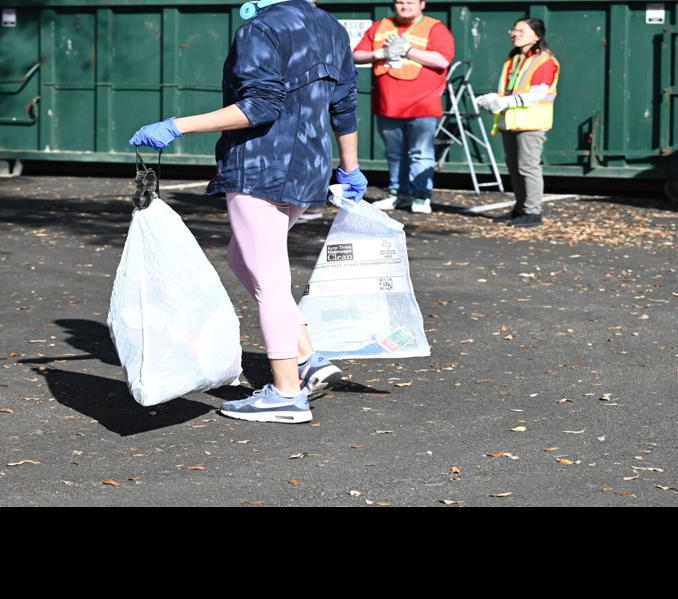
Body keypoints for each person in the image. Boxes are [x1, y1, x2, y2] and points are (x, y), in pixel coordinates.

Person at [130, 0, 358, 424]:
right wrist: (350, 168)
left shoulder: (262, 28)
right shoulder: (331, 27)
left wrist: (177, 125)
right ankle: (308, 359)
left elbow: (259, 107)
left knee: (269, 278)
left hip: (261, 165)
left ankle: (287, 394)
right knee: (244, 259)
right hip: (309, 165)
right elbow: (344, 105)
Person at [351, 0, 453, 214]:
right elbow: (355, 55)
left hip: (422, 104)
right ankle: (399, 193)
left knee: (420, 153)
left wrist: (408, 50)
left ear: (422, 4)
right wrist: (380, 54)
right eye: (400, 2)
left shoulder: (434, 28)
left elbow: (442, 60)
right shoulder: (381, 26)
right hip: (388, 103)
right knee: (394, 153)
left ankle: (421, 196)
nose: (404, 6)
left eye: (410, 2)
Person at [475, 18, 557, 227]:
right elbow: (512, 88)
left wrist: (503, 101)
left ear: (537, 36)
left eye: (522, 31)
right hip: (512, 120)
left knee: (528, 166)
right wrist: (494, 98)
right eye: (514, 30)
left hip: (531, 121)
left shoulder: (543, 60)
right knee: (515, 166)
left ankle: (532, 212)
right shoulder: (515, 58)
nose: (515, 34)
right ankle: (521, 208)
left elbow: (537, 94)